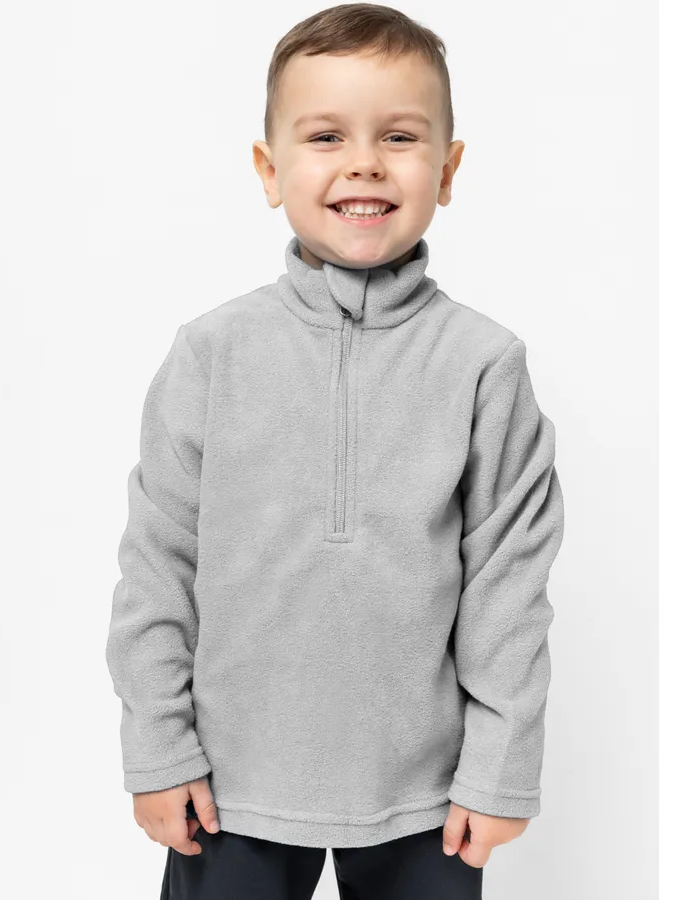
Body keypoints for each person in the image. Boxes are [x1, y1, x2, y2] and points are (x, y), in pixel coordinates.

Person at [105, 4, 565, 898]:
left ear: (448, 170)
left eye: (399, 136)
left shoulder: (484, 365)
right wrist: (157, 746)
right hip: (228, 784)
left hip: (426, 793)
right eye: (326, 136)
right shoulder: (211, 354)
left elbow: (510, 584)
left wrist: (501, 766)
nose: (364, 162)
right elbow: (157, 565)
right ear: (269, 170)